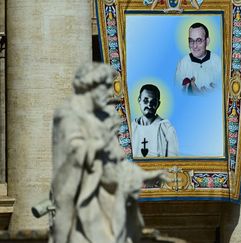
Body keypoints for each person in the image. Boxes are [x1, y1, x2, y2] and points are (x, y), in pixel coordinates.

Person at [51, 63, 165, 243]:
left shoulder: (104, 116)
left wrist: (147, 175)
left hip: (109, 200)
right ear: (90, 86)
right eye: (105, 87)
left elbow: (117, 160)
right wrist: (102, 139)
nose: (108, 93)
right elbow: (74, 155)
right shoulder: (68, 115)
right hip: (82, 199)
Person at [132, 84, 179, 157]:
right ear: (139, 100)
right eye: (145, 100)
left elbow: (173, 163)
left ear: (158, 104)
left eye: (153, 102)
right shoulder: (131, 127)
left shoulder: (167, 129)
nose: (149, 105)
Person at [175, 22, 222, 94]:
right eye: (191, 41)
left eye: (199, 40)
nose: (194, 46)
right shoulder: (183, 63)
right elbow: (177, 91)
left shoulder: (218, 62)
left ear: (207, 41)